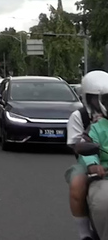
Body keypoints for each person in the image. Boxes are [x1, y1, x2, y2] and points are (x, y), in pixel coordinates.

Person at [68, 70, 108, 240]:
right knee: (78, 184)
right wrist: (93, 164)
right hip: (90, 162)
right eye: (94, 97)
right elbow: (79, 145)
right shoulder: (81, 117)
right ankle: (85, 234)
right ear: (87, 97)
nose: (98, 101)